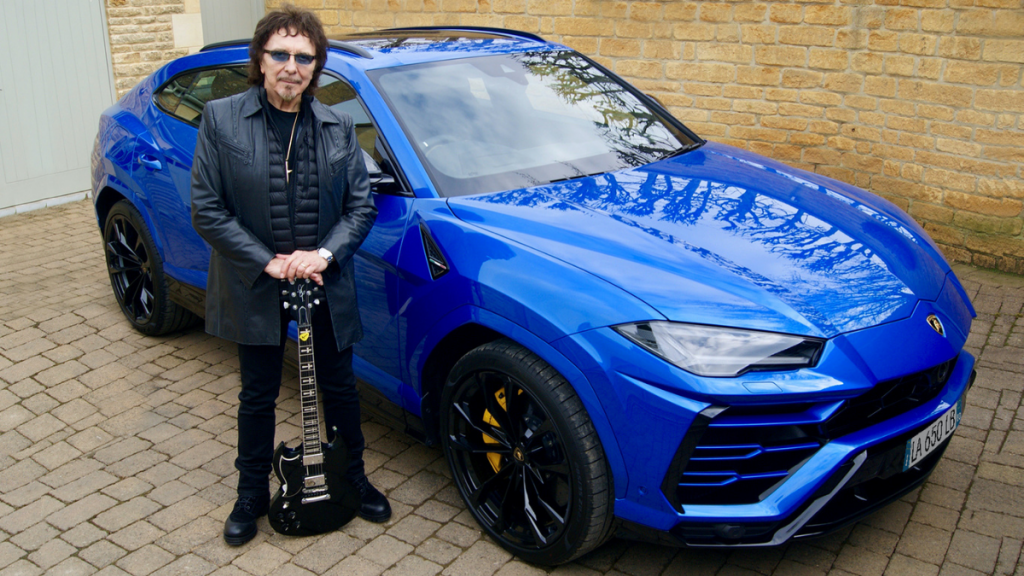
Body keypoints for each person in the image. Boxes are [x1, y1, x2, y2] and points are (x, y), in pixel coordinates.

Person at [190, 6, 385, 546]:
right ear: (260, 59)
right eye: (280, 54)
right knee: (257, 393)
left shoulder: (338, 126)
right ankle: (251, 492)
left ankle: (352, 477)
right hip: (255, 283)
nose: (291, 66)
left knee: (339, 387)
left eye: (304, 57)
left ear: (316, 66)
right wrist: (268, 261)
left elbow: (360, 208)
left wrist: (324, 255)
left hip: (323, 282)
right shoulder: (221, 118)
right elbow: (206, 209)